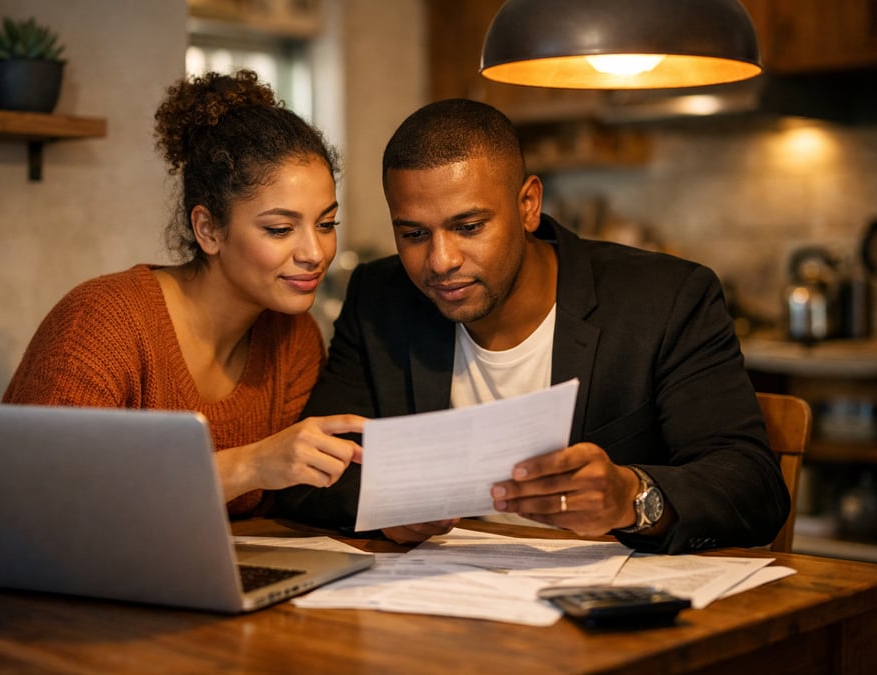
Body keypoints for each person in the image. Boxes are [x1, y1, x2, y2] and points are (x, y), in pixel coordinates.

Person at [277, 98, 790, 553]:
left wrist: (632, 496)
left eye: (469, 227)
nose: (440, 260)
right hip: (439, 612)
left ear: (528, 205)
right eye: (413, 233)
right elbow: (306, 476)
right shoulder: (380, 297)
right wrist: (388, 508)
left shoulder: (667, 299)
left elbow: (753, 484)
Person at [3, 70, 364, 518]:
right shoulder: (103, 322)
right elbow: (37, 493)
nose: (315, 252)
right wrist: (249, 465)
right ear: (208, 230)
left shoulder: (294, 341)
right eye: (279, 229)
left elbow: (289, 504)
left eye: (326, 224)